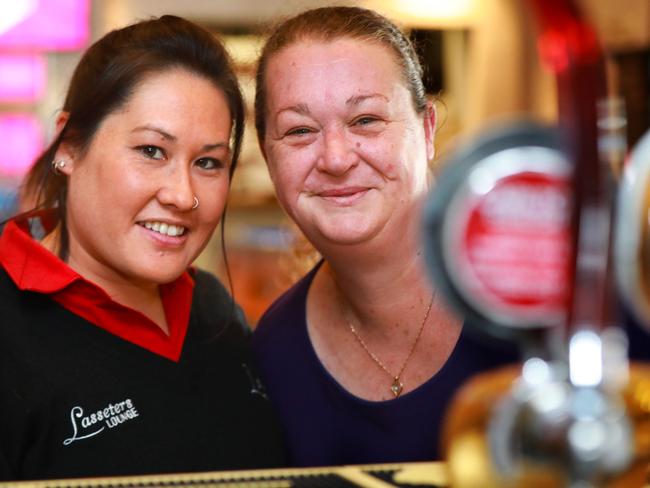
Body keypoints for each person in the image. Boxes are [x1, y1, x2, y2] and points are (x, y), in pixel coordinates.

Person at [0, 15, 285, 481]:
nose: (182, 194)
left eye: (208, 162)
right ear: (69, 145)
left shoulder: (212, 308)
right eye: (152, 151)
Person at [251, 6, 521, 467]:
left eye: (366, 120)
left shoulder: (535, 284)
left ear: (428, 129)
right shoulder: (277, 351)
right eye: (299, 130)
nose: (336, 158)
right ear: (268, 156)